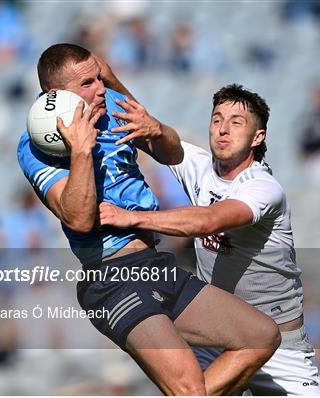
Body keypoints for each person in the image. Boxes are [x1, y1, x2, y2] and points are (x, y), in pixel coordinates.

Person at [17, 44, 280, 395]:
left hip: (155, 263)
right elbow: (79, 220)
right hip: (113, 276)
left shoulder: (110, 104)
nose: (101, 88)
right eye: (87, 83)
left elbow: (172, 152)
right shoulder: (38, 144)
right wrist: (81, 150)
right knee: (188, 387)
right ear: (56, 95)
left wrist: (154, 128)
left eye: (100, 77)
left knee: (260, 337)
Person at [99, 84, 320, 395]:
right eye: (217, 119)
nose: (223, 129)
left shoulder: (263, 188)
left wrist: (132, 217)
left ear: (258, 137)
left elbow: (209, 221)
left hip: (281, 348)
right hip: (218, 333)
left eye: (236, 122)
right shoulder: (201, 167)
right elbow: (147, 129)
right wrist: (105, 75)